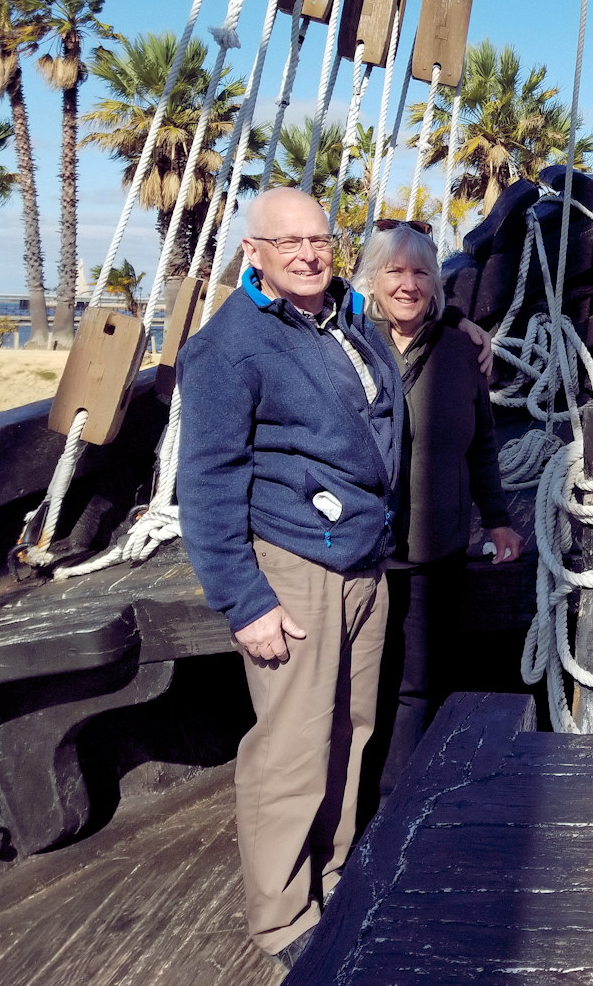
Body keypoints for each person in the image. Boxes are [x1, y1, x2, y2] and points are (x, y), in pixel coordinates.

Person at [176, 187, 403, 966]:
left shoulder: (344, 316)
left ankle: (330, 877)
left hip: (364, 559)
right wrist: (247, 601)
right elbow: (204, 487)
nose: (309, 254)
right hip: (296, 566)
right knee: (292, 748)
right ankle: (281, 918)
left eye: (320, 239)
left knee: (349, 733)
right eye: (289, 243)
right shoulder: (229, 346)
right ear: (254, 255)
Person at [351, 219, 522, 813]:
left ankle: (399, 804)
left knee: (419, 684)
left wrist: (498, 520)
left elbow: (480, 444)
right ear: (371, 280)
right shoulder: (347, 343)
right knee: (358, 686)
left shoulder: (458, 350)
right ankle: (351, 804)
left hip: (433, 549)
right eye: (394, 270)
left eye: (421, 271)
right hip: (358, 555)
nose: (408, 283)